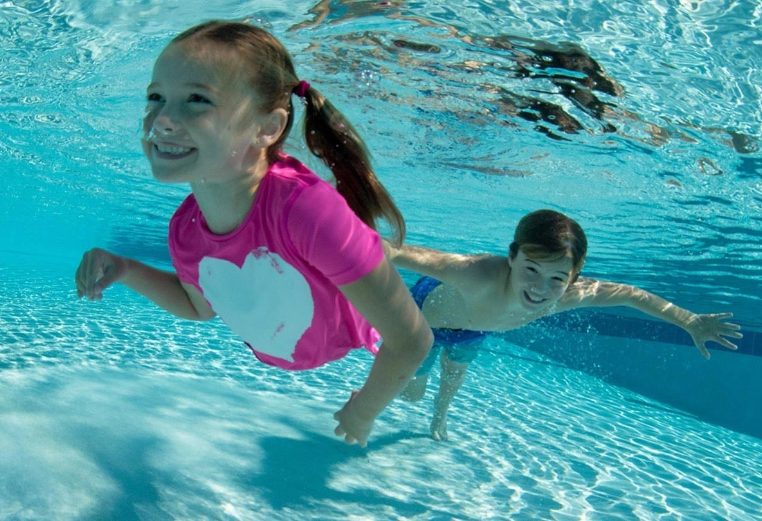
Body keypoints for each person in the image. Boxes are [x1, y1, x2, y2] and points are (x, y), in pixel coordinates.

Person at [75, 20, 433, 448]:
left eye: (197, 99)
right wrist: (125, 269)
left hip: (351, 341)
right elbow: (198, 307)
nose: (163, 120)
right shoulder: (186, 230)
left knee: (414, 354)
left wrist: (365, 410)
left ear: (266, 127)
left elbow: (412, 339)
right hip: (288, 342)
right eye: (155, 97)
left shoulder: (307, 212)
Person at [384, 209, 742, 441]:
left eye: (557, 278)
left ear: (574, 277)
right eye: (531, 270)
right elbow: (392, 251)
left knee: (455, 374)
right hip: (427, 323)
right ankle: (410, 388)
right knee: (413, 392)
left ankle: (440, 418)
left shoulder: (568, 294)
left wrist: (689, 320)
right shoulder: (475, 274)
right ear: (512, 256)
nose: (541, 290)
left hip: (477, 327)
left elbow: (634, 295)